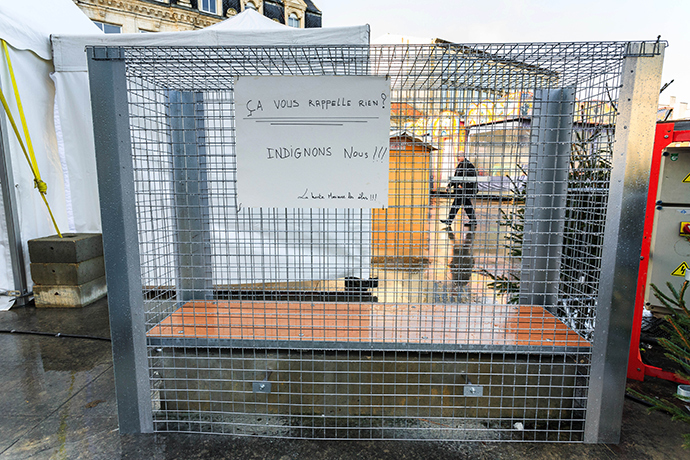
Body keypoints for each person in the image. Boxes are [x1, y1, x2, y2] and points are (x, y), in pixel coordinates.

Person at [441, 156, 477, 228]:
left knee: (456, 204)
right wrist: (449, 185)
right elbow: (456, 178)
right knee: (467, 205)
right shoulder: (460, 165)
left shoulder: (468, 165)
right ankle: (473, 220)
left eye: (459, 156)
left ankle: (449, 220)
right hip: (461, 190)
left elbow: (472, 178)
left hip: (464, 191)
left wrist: (464, 186)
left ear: (463, 156)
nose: (457, 158)